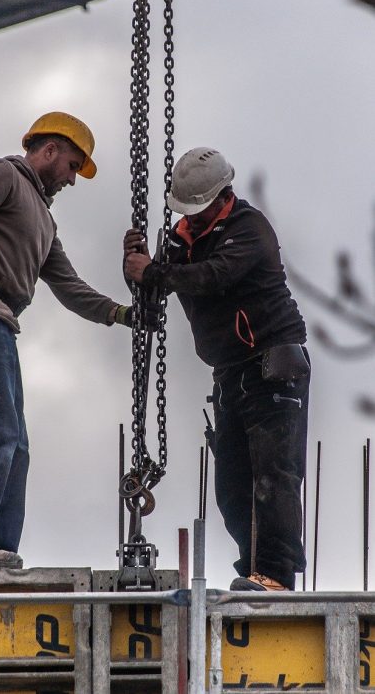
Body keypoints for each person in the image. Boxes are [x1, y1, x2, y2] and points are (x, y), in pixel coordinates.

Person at [0, 111, 135, 568]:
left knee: (15, 443)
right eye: (74, 167)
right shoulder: (2, 175)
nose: (73, 180)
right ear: (50, 149)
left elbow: (69, 286)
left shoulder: (42, 221)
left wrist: (119, 315)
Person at [124, 147, 310, 592]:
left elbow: (212, 276)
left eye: (199, 210)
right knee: (231, 488)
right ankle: (254, 568)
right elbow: (157, 286)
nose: (192, 219)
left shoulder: (249, 229)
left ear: (223, 195)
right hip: (230, 374)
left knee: (274, 475)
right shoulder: (182, 237)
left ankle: (276, 574)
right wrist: (138, 267)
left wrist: (153, 272)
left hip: (273, 368)